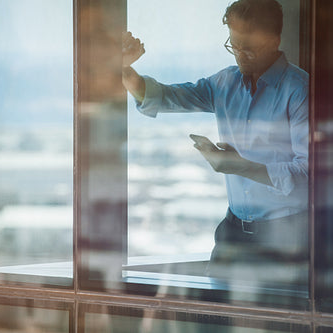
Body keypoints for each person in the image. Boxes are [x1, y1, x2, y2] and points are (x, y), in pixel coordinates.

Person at [122, 0, 308, 283]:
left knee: (277, 323)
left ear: (275, 40)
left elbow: (309, 175)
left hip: (286, 235)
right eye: (234, 45)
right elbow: (170, 97)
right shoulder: (225, 83)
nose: (240, 56)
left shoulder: (300, 91)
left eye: (249, 47)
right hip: (233, 231)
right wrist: (124, 70)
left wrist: (241, 166)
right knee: (214, 320)